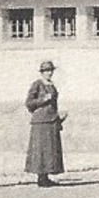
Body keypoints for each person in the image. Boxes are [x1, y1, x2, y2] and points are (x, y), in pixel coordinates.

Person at [24, 59, 65, 187]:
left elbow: (54, 104)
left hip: (51, 121)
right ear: (41, 72)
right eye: (46, 71)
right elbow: (29, 103)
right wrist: (43, 99)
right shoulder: (37, 84)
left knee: (50, 151)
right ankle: (41, 177)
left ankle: (46, 176)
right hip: (40, 122)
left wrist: (59, 117)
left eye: (50, 70)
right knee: (41, 150)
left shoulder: (51, 85)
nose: (49, 73)